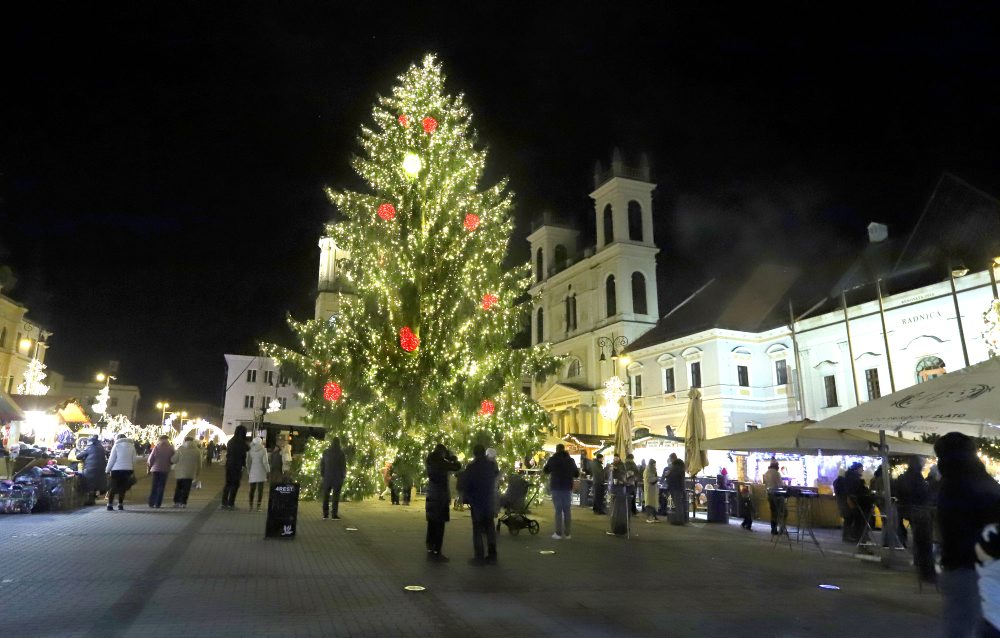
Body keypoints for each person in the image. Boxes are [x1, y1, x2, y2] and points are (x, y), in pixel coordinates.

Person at [935, 432, 1000, 637]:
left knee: (961, 624)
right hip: (979, 565)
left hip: (956, 564)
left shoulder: (949, 481)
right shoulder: (978, 480)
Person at [894, 455, 934, 583]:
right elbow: (922, 493)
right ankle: (923, 566)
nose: (924, 466)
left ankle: (919, 560)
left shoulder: (905, 477)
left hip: (906, 508)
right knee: (922, 537)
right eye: (923, 464)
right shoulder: (916, 477)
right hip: (917, 510)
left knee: (918, 536)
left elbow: (899, 491)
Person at [462, 444, 500, 564]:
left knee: (477, 529)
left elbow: (466, 484)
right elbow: (496, 475)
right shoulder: (491, 466)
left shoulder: (472, 467)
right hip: (488, 500)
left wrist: (467, 498)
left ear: (474, 453)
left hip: (477, 502)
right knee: (490, 528)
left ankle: (479, 556)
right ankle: (492, 554)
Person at [425, 443, 461, 561]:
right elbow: (457, 466)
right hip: (440, 497)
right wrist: (452, 458)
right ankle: (437, 550)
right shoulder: (442, 463)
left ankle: (430, 546)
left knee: (431, 523)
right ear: (442, 452)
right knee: (440, 525)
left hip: (431, 494)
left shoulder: (430, 460)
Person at [543, 443, 579, 540]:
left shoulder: (552, 459)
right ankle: (567, 534)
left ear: (556, 450)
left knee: (558, 511)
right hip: (567, 487)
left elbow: (545, 470)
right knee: (567, 510)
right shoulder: (570, 460)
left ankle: (558, 533)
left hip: (556, 487)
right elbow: (576, 473)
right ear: (564, 450)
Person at [105, 434, 138, 511]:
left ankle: (110, 505)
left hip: (116, 470)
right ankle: (120, 504)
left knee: (113, 488)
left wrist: (107, 470)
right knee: (123, 488)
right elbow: (134, 460)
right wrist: (132, 469)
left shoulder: (116, 446)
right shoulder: (132, 446)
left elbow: (111, 460)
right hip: (128, 470)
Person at [843, 462, 872, 544]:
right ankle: (855, 536)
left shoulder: (849, 477)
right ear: (857, 469)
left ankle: (850, 536)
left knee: (851, 519)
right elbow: (859, 490)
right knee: (856, 519)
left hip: (851, 501)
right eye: (861, 468)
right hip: (855, 501)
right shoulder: (855, 479)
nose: (862, 470)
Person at [221, 425, 249, 510]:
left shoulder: (231, 441)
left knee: (228, 484)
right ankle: (231, 503)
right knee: (235, 484)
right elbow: (246, 451)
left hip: (229, 465)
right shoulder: (242, 443)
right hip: (237, 466)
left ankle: (224, 502)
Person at [171, 436, 202, 508]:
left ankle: (177, 502)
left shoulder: (181, 449)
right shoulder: (197, 451)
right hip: (190, 473)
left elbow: (174, 460)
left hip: (180, 472)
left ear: (185, 441)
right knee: (186, 488)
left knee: (179, 487)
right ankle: (183, 503)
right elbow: (199, 464)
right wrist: (197, 473)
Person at [320, 437, 347, 519]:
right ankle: (334, 514)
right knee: (336, 496)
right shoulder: (341, 453)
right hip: (337, 477)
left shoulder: (326, 452)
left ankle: (325, 514)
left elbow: (322, 464)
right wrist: (343, 475)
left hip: (327, 477)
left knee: (326, 496)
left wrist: (323, 474)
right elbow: (343, 466)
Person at [76, 435, 107, 506]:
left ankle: (90, 500)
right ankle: (93, 499)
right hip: (101, 470)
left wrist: (77, 451)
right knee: (95, 483)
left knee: (88, 483)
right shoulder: (101, 447)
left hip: (90, 469)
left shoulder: (89, 447)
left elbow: (78, 457)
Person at [147, 435, 175, 509]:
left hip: (155, 469)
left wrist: (150, 466)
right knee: (161, 486)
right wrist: (169, 463)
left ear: (160, 439)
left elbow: (151, 459)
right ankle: (158, 504)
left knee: (154, 486)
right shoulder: (171, 448)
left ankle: (151, 502)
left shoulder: (157, 447)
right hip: (165, 469)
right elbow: (173, 459)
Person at [246, 437, 270, 512]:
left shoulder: (250, 450)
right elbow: (265, 462)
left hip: (253, 471)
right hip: (261, 471)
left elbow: (248, 462)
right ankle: (258, 507)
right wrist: (268, 470)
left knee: (252, 489)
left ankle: (250, 506)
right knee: (260, 490)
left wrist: (249, 471)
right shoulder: (263, 450)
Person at [763, 460, 784, 535]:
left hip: (769, 494)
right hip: (777, 495)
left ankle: (773, 529)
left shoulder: (766, 473)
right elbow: (780, 485)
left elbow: (765, 484)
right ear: (776, 466)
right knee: (782, 512)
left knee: (773, 512)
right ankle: (781, 528)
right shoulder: (776, 473)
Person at [666, 452, 687, 524]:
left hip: (676, 487)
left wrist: (668, 475)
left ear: (673, 458)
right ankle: (681, 519)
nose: (670, 460)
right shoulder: (679, 465)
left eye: (670, 459)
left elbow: (674, 477)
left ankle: (680, 520)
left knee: (678, 504)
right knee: (679, 504)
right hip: (678, 487)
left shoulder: (676, 466)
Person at [832, 468, 850, 541]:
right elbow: (845, 492)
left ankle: (846, 536)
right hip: (844, 502)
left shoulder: (836, 481)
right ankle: (846, 536)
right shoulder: (843, 481)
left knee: (846, 518)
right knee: (848, 519)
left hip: (840, 501)